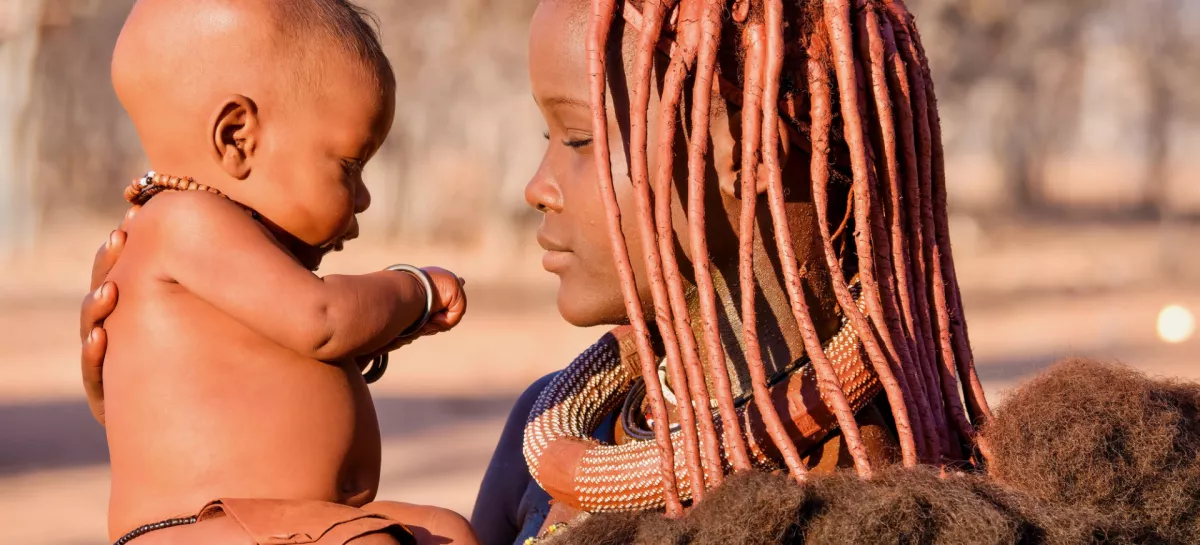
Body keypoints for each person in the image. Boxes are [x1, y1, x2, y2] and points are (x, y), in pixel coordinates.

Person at [82, 0, 990, 543]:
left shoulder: (884, 493)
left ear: (745, 154)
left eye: (581, 139)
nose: (536, 186)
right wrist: (179, 384)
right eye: (543, 138)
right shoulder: (558, 427)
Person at [84, 1, 478, 544]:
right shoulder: (184, 221)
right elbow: (322, 319)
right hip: (197, 526)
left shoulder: (228, 242)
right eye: (349, 165)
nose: (363, 198)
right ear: (237, 137)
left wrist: (384, 333)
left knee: (448, 530)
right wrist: (415, 288)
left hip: (289, 519)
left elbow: (277, 362)